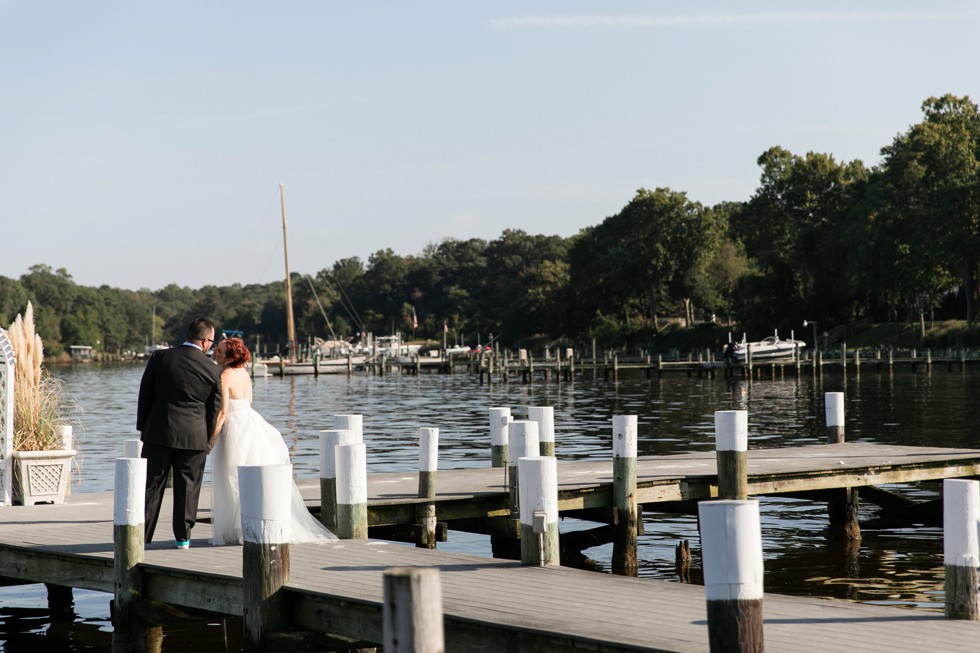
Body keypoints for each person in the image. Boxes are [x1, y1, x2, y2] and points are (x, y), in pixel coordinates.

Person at [209, 337, 337, 545]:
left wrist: (212, 439)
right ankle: (247, 525)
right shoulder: (243, 373)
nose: (215, 351)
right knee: (248, 471)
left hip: (233, 428)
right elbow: (248, 401)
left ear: (230, 357)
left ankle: (239, 528)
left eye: (220, 350)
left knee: (232, 475)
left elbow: (223, 412)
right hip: (250, 422)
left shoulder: (224, 375)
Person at [137, 318, 221, 549]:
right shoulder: (212, 369)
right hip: (194, 437)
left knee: (151, 485)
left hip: (158, 432)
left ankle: (142, 537)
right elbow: (214, 410)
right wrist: (207, 439)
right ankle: (183, 538)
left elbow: (145, 395)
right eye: (212, 342)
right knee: (188, 487)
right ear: (205, 342)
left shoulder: (160, 358)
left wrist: (144, 428)